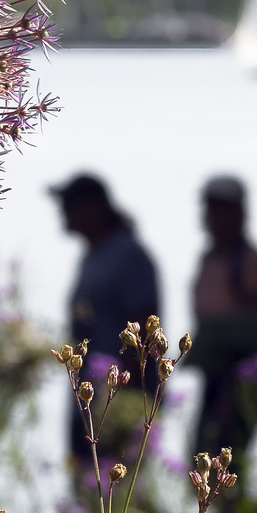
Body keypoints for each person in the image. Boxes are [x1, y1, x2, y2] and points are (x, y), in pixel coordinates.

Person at [50, 173, 161, 465]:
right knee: (88, 495)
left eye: (70, 203)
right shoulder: (92, 257)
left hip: (115, 403)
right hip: (86, 401)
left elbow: (145, 333)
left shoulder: (128, 255)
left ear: (94, 207)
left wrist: (121, 400)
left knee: (116, 495)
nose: (63, 211)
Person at [190, 175, 257, 459]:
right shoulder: (210, 258)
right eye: (211, 208)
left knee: (227, 457)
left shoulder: (251, 261)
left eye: (223, 209)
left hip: (242, 382)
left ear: (241, 212)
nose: (215, 217)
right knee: (203, 454)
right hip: (214, 376)